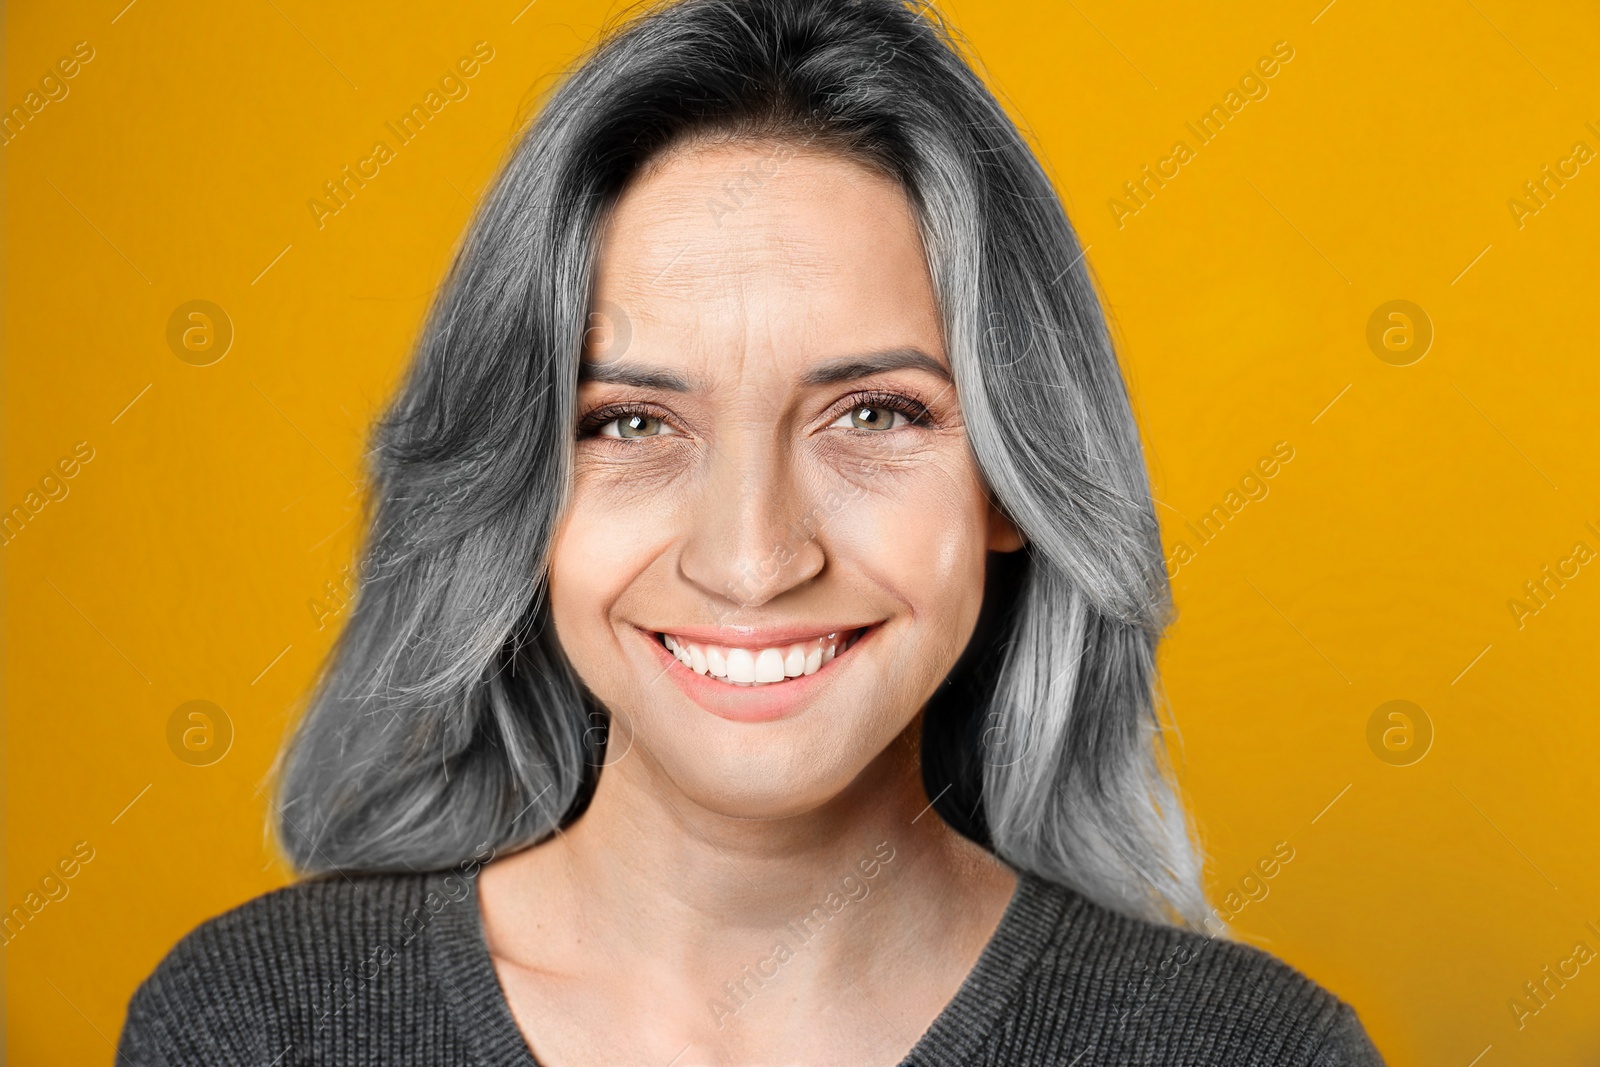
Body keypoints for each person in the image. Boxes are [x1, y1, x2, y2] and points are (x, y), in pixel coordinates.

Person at [118, 0, 1385, 1063]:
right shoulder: (256, 1026)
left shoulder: (1253, 1050)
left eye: (874, 411)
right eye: (628, 423)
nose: (751, 556)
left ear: (1010, 477)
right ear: (517, 489)